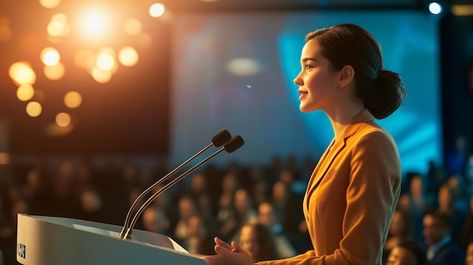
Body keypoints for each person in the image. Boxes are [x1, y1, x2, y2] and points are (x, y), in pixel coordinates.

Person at [205, 23, 405, 265]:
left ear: (344, 76)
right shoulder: (341, 143)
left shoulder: (371, 143)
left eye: (309, 66)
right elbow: (322, 255)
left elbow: (356, 260)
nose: (297, 78)